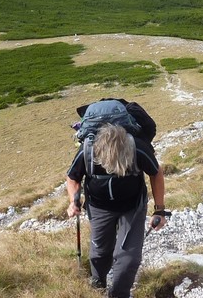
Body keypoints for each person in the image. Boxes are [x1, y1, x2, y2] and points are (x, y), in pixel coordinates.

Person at [66, 123, 168, 297]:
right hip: (99, 207)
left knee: (129, 257)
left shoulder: (137, 148)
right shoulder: (88, 150)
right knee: (99, 252)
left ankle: (119, 294)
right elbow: (72, 177)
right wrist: (73, 201)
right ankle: (98, 284)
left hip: (133, 206)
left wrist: (159, 210)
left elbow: (156, 172)